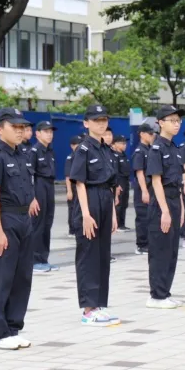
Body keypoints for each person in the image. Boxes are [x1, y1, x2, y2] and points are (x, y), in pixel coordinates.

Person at [0, 109, 38, 350]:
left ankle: (13, 327)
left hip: (24, 219)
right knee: (0, 276)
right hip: (4, 219)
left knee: (21, 276)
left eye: (21, 126)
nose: (19, 130)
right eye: (13, 126)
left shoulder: (22, 155)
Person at [70, 105, 120, 326]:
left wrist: (114, 214)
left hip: (105, 200)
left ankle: (99, 304)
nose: (101, 124)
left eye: (104, 120)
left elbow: (111, 184)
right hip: (88, 200)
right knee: (88, 255)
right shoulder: (83, 149)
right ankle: (88, 308)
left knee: (102, 255)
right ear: (86, 123)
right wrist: (86, 214)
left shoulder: (106, 149)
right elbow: (79, 183)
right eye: (96, 120)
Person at [146, 105, 185, 308]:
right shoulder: (156, 148)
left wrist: (180, 208)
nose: (176, 124)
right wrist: (165, 211)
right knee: (160, 250)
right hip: (161, 204)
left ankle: (165, 292)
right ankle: (156, 296)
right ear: (161, 123)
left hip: (173, 201)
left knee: (171, 251)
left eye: (178, 121)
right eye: (172, 120)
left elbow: (178, 183)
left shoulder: (175, 148)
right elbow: (156, 181)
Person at [27, 120, 57, 273]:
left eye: (51, 132)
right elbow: (29, 176)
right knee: (38, 224)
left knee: (47, 223)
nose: (49, 134)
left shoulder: (49, 151)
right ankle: (34, 260)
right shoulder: (33, 151)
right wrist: (32, 197)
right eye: (46, 131)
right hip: (38, 186)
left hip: (49, 186)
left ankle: (44, 258)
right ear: (37, 134)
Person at [131, 120, 157, 254]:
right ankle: (141, 245)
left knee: (151, 216)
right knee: (142, 217)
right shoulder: (139, 151)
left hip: (151, 188)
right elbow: (139, 172)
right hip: (143, 189)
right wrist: (144, 191)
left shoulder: (150, 149)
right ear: (142, 134)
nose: (152, 136)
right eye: (150, 133)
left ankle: (149, 242)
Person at [112, 134, 131, 231]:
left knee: (124, 203)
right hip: (119, 181)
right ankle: (117, 224)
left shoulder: (123, 155)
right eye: (121, 143)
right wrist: (117, 184)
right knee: (118, 203)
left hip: (126, 180)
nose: (124, 145)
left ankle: (122, 224)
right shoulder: (114, 155)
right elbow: (115, 171)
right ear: (114, 144)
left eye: (125, 143)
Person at [64, 135, 82, 237]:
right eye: (77, 144)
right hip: (72, 186)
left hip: (79, 186)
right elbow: (67, 176)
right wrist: (69, 190)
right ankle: (72, 229)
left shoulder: (80, 156)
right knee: (72, 208)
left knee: (78, 208)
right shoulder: (70, 158)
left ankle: (77, 227)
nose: (79, 146)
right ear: (72, 146)